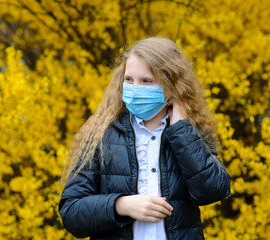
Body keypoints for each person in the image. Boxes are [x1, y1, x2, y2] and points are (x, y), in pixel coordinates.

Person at [58, 37, 231, 239]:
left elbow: (214, 191)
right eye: (129, 79)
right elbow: (71, 212)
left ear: (171, 86)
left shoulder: (191, 131)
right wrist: (121, 205)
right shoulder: (102, 134)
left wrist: (181, 131)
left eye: (147, 81)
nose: (135, 88)